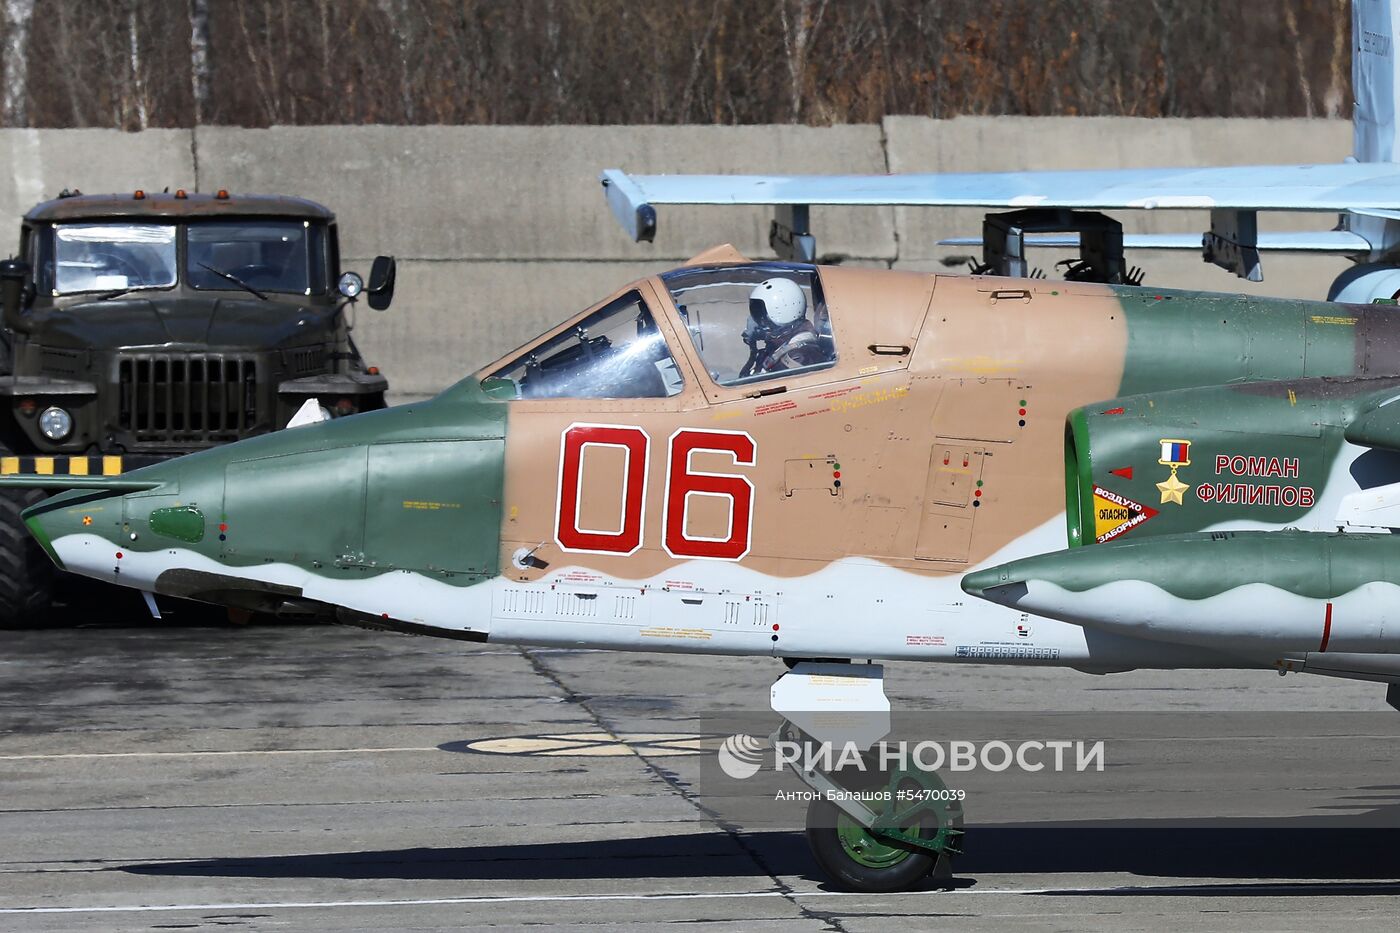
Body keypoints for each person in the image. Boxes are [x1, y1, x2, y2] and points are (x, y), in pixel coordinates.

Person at [740, 278, 827, 376]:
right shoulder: (779, 348)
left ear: (781, 312)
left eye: (761, 316)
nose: (757, 322)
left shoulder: (801, 358)